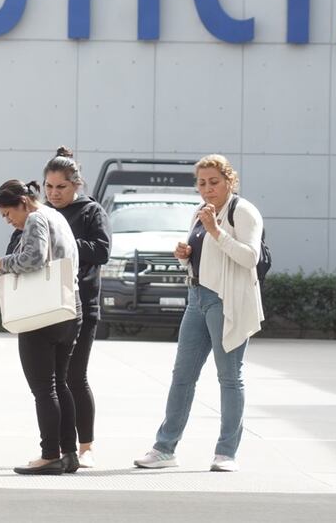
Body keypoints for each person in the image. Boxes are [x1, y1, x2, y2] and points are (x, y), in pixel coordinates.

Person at [134, 154, 264, 473]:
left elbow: (250, 258)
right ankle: (164, 449)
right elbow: (205, 258)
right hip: (196, 297)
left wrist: (216, 231)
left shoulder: (242, 211)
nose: (207, 189)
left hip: (226, 301)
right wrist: (184, 255)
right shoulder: (200, 212)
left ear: (230, 181)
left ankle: (226, 453)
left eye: (214, 182)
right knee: (182, 376)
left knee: (229, 377)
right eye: (202, 183)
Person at [0, 180, 81, 476]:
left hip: (42, 313)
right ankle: (69, 453)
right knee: (60, 384)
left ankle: (49, 456)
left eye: (8, 214)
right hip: (69, 307)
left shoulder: (36, 218)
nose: (8, 221)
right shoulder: (55, 215)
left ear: (23, 202)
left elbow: (33, 258)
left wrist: (2, 263)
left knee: (44, 389)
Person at [42, 147, 111, 468]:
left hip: (82, 306)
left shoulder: (91, 211)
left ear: (77, 185)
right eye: (49, 186)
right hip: (47, 306)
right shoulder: (42, 213)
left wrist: (63, 243)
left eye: (61, 187)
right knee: (52, 381)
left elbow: (102, 250)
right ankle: (61, 447)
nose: (54, 193)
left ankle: (86, 447)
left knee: (74, 376)